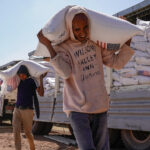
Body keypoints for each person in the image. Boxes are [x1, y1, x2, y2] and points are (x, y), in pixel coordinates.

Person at [37, 6, 134, 150]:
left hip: (100, 107)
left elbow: (117, 62)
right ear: (70, 27)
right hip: (77, 109)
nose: (82, 33)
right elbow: (64, 72)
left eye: (85, 27)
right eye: (77, 29)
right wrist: (48, 46)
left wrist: (127, 35)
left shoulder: (96, 44)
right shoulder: (63, 48)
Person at [12, 65, 45, 150]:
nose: (21, 76)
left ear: (26, 73)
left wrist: (41, 79)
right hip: (17, 109)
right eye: (20, 75)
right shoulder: (18, 81)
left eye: (23, 75)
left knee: (28, 133)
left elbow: (41, 93)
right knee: (16, 132)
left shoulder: (31, 81)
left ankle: (32, 148)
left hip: (28, 111)